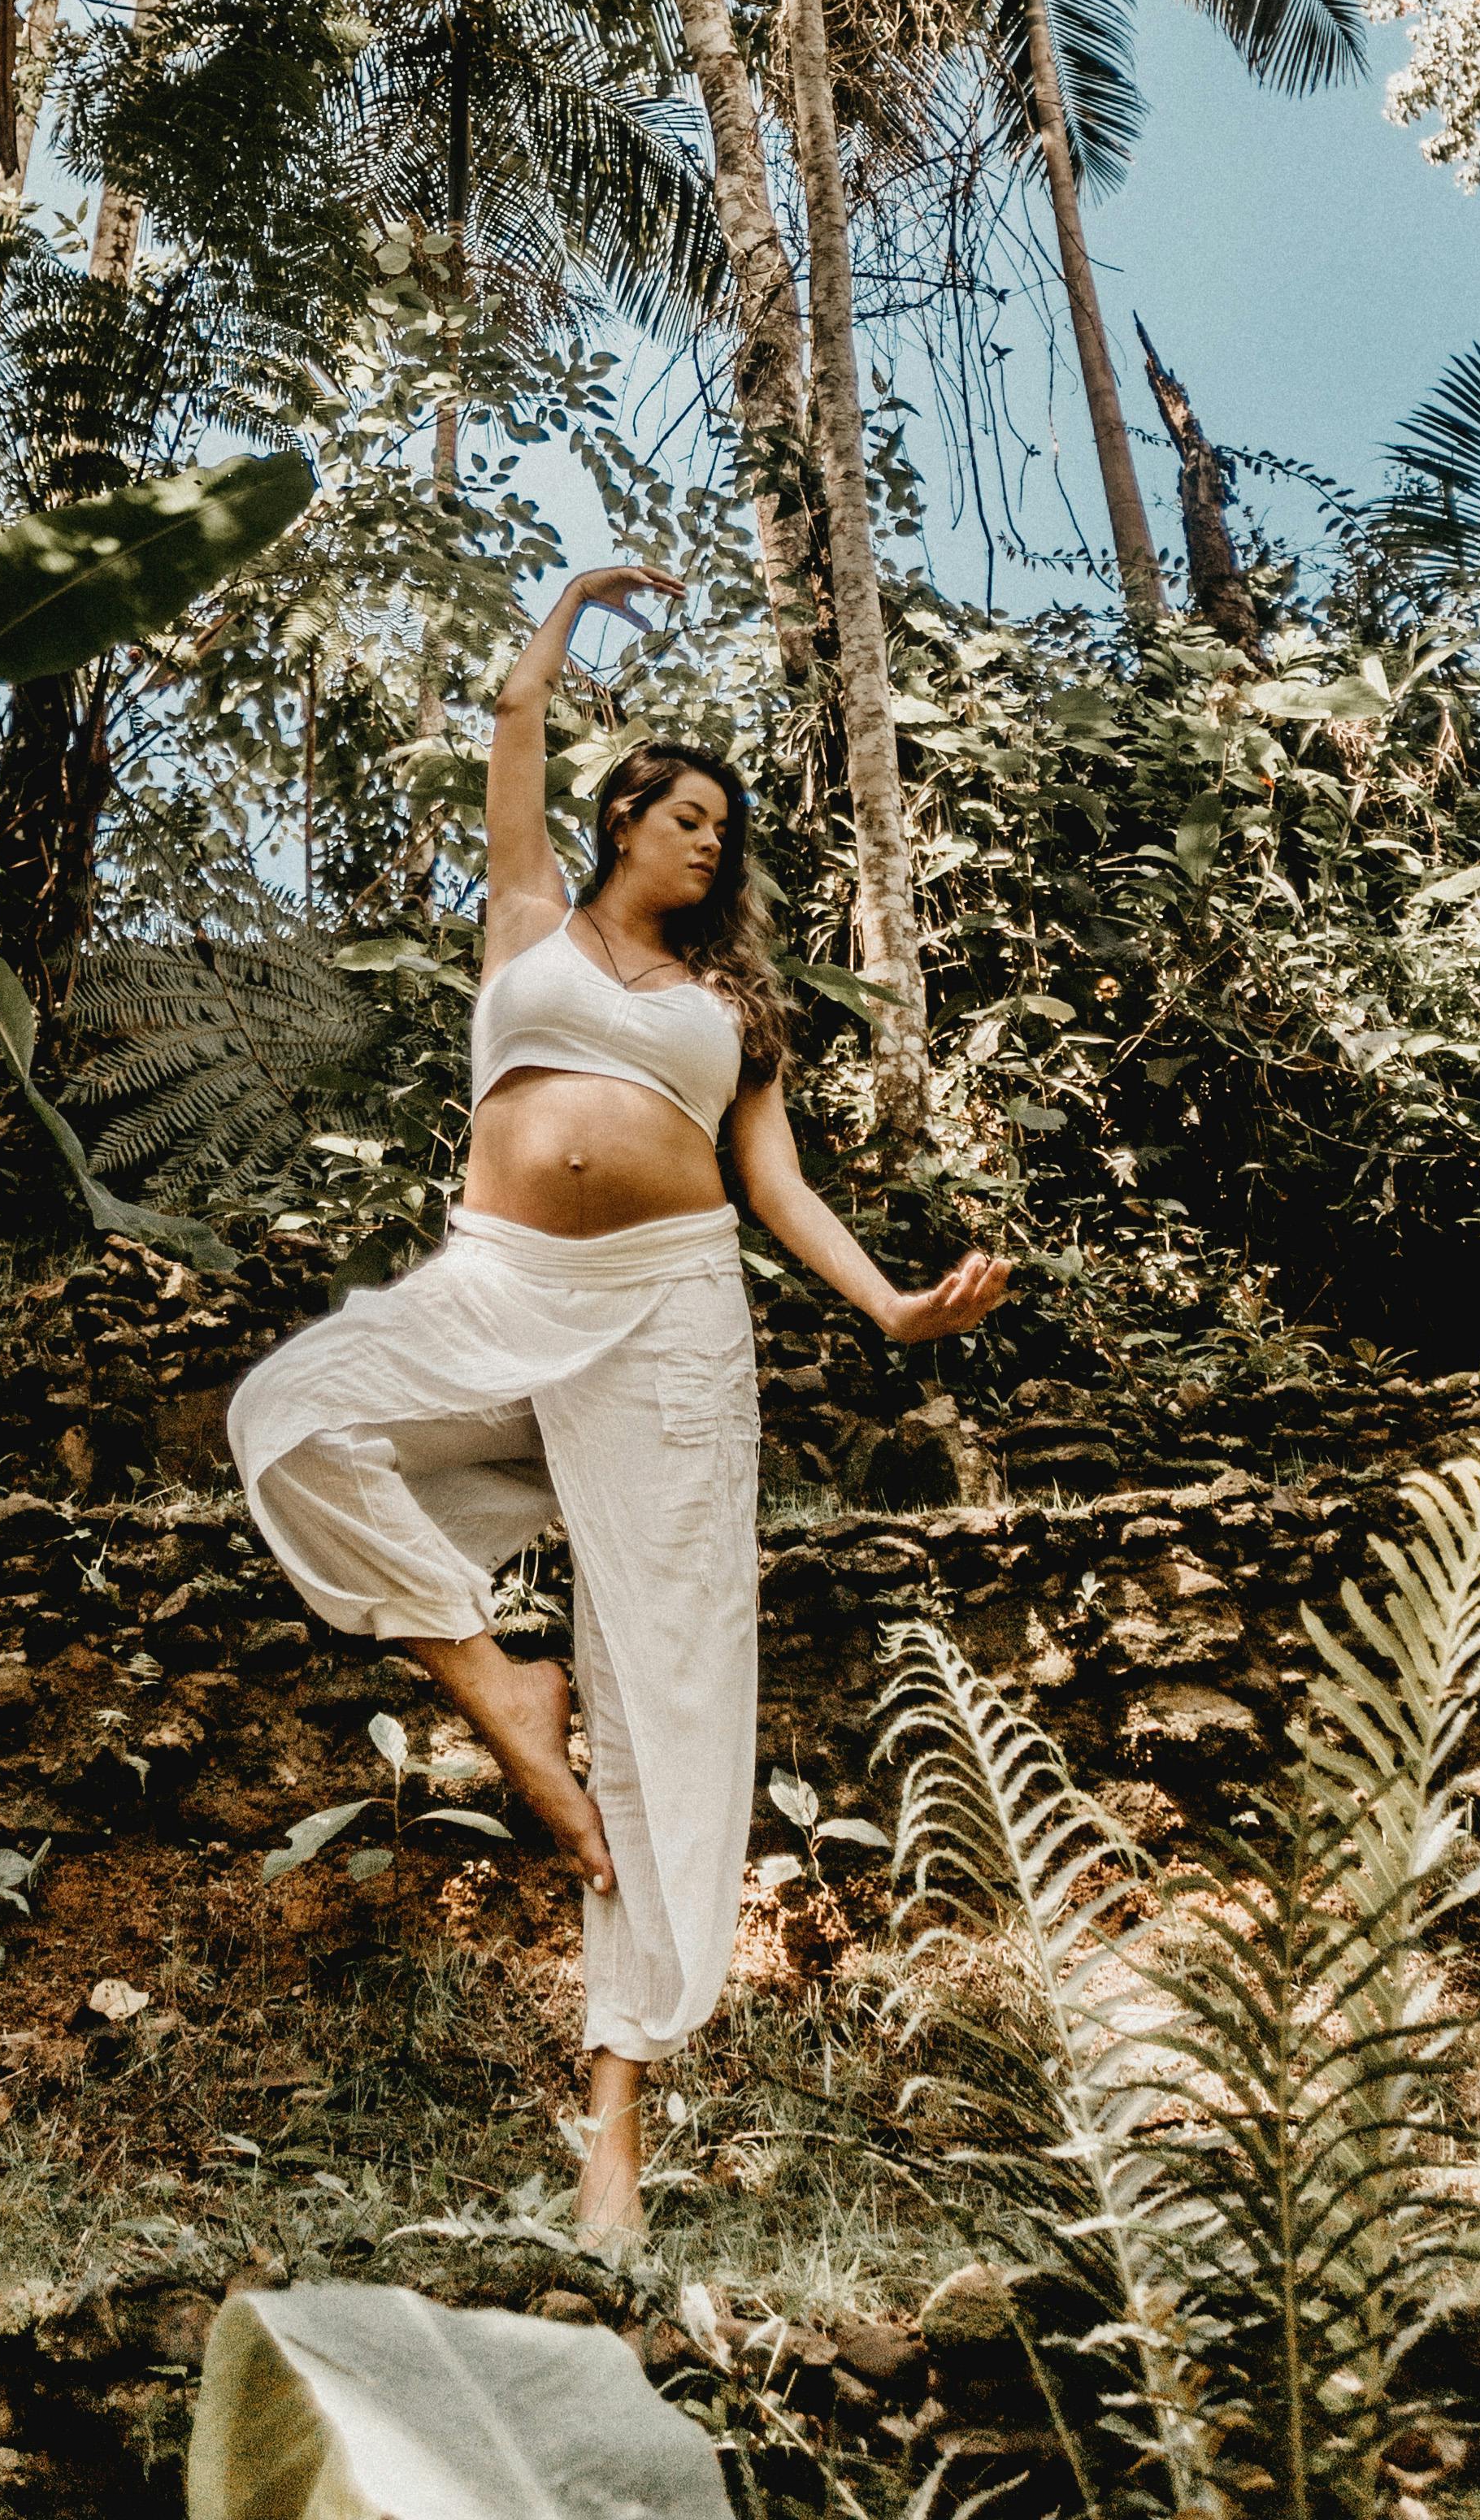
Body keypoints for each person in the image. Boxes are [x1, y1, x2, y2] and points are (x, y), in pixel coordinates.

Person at [228, 559, 1009, 2241]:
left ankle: (613, 2135)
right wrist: (574, 602)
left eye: (729, 825)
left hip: (669, 1321)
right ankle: (496, 1681)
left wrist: (888, 1304)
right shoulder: (526, 922)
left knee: (663, 1704)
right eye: (686, 814)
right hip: (497, 1287)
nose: (712, 839)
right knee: (289, 1418)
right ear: (624, 823)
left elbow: (777, 1186)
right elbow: (513, 721)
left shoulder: (738, 1007)